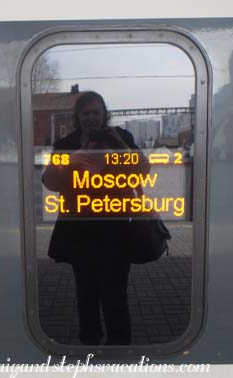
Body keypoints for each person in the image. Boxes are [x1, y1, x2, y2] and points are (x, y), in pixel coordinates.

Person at [42, 91, 150, 345]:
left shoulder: (122, 137)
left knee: (116, 294)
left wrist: (120, 145)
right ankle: (89, 345)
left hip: (117, 230)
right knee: (86, 293)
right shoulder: (66, 145)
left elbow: (143, 171)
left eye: (96, 113)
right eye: (86, 113)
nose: (91, 118)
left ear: (104, 115)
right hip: (80, 230)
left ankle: (119, 346)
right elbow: (50, 182)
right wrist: (74, 158)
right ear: (78, 117)